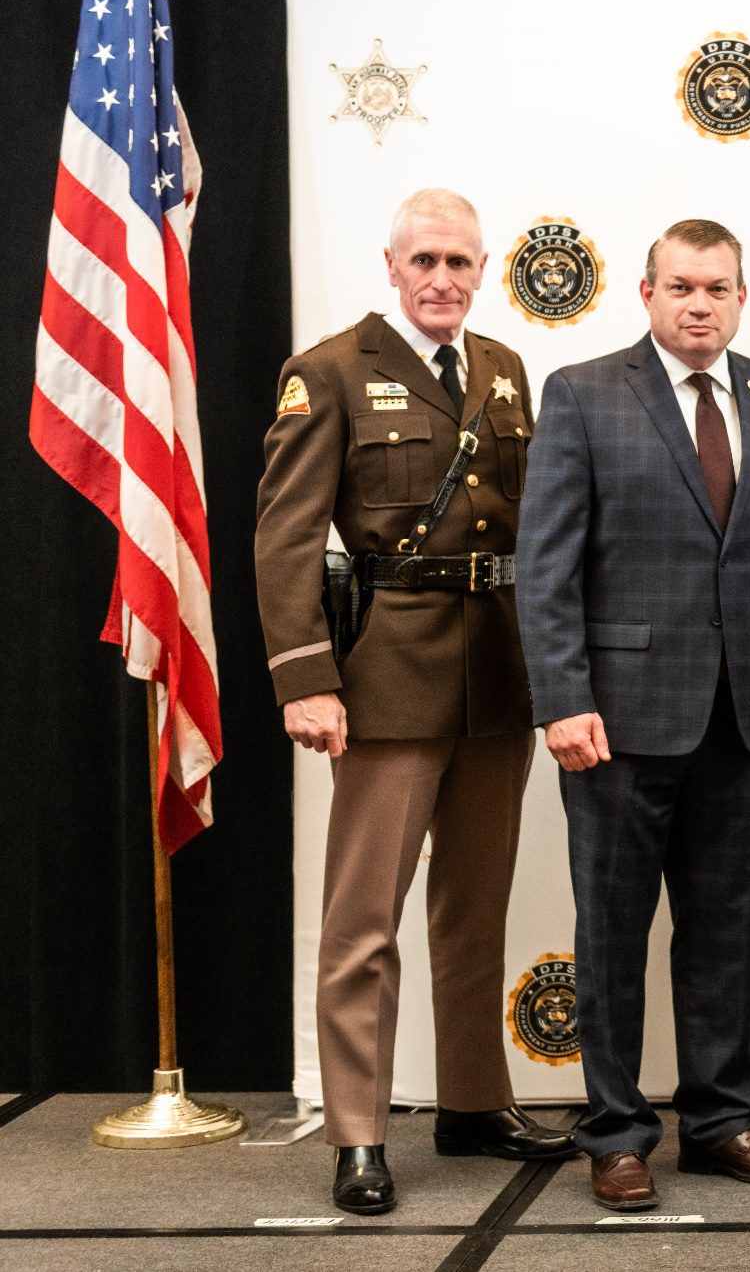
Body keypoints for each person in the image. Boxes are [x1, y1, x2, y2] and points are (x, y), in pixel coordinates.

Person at [253, 187, 574, 1215]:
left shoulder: (502, 372)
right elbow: (287, 534)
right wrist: (305, 675)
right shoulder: (332, 370)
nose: (443, 280)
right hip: (386, 676)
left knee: (475, 908)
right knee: (363, 921)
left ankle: (474, 1103)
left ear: (483, 272)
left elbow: (532, 531)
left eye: (461, 263)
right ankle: (356, 1130)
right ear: (391, 267)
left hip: (497, 670)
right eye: (424, 261)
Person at [516, 218, 750, 1212]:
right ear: (645, 295)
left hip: (740, 717)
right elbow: (548, 565)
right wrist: (562, 700)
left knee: (724, 933)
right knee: (611, 934)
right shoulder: (583, 393)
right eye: (682, 287)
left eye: (718, 288)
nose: (700, 304)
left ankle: (722, 1121)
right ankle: (615, 1134)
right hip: (613, 724)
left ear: (741, 298)